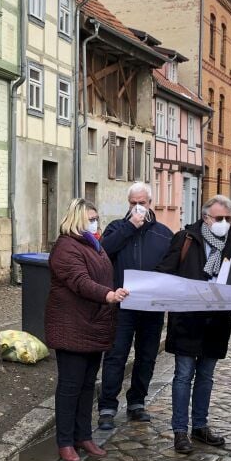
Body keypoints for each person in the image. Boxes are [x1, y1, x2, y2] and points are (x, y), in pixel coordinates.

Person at [156, 195, 231, 454]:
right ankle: (180, 430)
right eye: (219, 218)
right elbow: (165, 270)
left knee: (206, 376)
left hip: (217, 321)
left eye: (228, 218)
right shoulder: (186, 239)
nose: (224, 223)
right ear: (205, 218)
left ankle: (200, 425)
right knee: (183, 376)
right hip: (187, 319)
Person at [45, 199, 129, 461]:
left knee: (86, 386)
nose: (95, 222)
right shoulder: (66, 247)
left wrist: (114, 293)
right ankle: (65, 441)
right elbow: (80, 281)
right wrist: (108, 295)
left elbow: (104, 276)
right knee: (70, 387)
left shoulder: (94, 244)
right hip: (72, 326)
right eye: (90, 218)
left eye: (96, 217)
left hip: (94, 325)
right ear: (77, 219)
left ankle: (83, 435)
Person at [97, 182, 174, 430]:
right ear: (128, 204)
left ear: (150, 203)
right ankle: (107, 406)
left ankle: (137, 403)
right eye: (133, 203)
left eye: (143, 202)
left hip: (151, 307)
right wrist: (129, 228)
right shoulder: (116, 228)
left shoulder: (163, 233)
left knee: (147, 356)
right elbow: (103, 252)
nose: (138, 207)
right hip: (122, 305)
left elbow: (171, 267)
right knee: (116, 355)